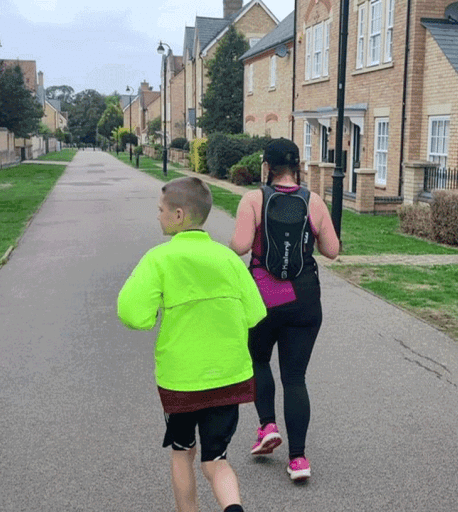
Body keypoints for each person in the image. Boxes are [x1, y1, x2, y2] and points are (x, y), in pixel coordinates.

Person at [118, 177, 266, 512]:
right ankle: (233, 508)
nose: (158, 215)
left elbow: (132, 313)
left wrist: (154, 316)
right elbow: (255, 312)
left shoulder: (159, 259)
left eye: (161, 210)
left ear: (179, 215)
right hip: (228, 375)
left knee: (182, 451)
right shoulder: (227, 258)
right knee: (216, 460)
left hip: (181, 379)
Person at [229, 138, 340, 481]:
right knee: (295, 378)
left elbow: (240, 246)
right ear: (297, 167)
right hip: (304, 299)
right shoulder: (314, 201)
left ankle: (267, 426)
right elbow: (332, 250)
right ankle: (298, 459)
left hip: (263, 298)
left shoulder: (253, 199)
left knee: (258, 360)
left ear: (267, 166)